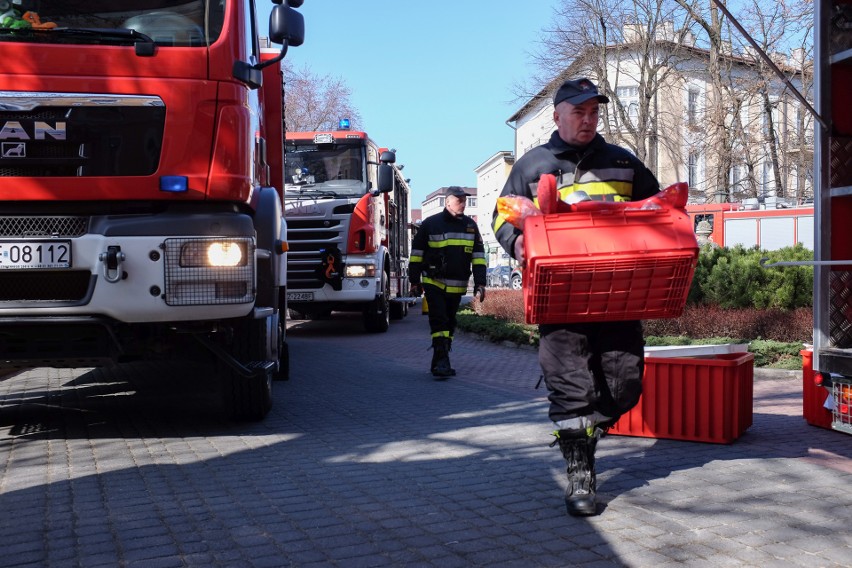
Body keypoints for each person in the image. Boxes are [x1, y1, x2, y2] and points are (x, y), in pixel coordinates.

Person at [491, 78, 660, 516]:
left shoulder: (623, 162)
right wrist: (517, 243)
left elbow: (657, 209)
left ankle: (586, 434)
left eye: (593, 113)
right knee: (570, 388)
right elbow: (501, 216)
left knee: (626, 387)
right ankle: (580, 474)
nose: (588, 120)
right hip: (560, 299)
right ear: (558, 115)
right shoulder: (532, 165)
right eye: (579, 112)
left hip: (618, 296)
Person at [409, 186, 487, 378]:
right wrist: (414, 280)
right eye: (459, 200)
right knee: (439, 319)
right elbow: (416, 254)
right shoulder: (430, 224)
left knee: (450, 322)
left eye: (464, 200)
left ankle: (440, 359)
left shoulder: (470, 226)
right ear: (448, 202)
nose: (463, 204)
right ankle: (442, 360)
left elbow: (478, 257)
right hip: (434, 282)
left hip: (457, 285)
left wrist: (480, 283)